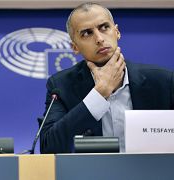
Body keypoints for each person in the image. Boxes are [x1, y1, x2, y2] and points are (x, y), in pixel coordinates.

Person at [40, 2, 174, 153]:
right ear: (75, 47)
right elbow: (49, 147)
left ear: (117, 32)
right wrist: (99, 94)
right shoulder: (61, 85)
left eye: (104, 27)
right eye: (86, 33)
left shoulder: (163, 81)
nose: (99, 38)